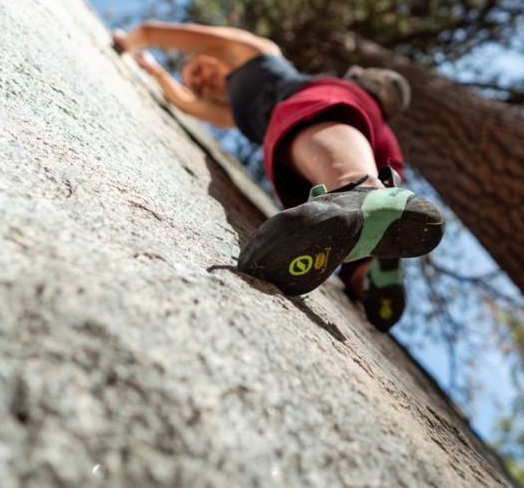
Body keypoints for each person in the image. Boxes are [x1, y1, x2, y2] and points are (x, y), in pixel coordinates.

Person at [112, 21, 444, 331]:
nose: (200, 81)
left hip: (325, 108)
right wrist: (156, 72)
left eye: (198, 69)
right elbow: (187, 103)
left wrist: (131, 41)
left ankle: (365, 189)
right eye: (195, 83)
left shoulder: (253, 52)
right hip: (351, 142)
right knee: (333, 219)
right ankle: (369, 277)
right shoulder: (232, 111)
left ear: (210, 56)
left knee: (347, 192)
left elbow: (159, 32)